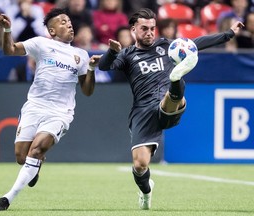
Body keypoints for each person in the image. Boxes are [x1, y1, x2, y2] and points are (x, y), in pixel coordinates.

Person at [98, 8, 243, 210]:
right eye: (144, 29)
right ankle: (146, 190)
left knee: (173, 90)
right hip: (143, 111)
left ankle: (176, 80)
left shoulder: (167, 46)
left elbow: (199, 42)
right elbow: (105, 66)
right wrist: (112, 51)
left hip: (168, 104)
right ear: (133, 30)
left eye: (152, 28)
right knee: (140, 165)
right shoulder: (128, 55)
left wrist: (229, 33)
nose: (149, 32)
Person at [0, 8, 101, 211]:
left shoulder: (81, 55)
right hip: (34, 106)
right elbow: (10, 50)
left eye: (69, 21)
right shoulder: (41, 44)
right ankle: (36, 165)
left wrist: (92, 69)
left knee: (37, 149)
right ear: (51, 31)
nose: (69, 24)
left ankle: (7, 198)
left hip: (60, 112)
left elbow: (87, 90)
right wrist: (7, 31)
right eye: (62, 22)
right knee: (22, 158)